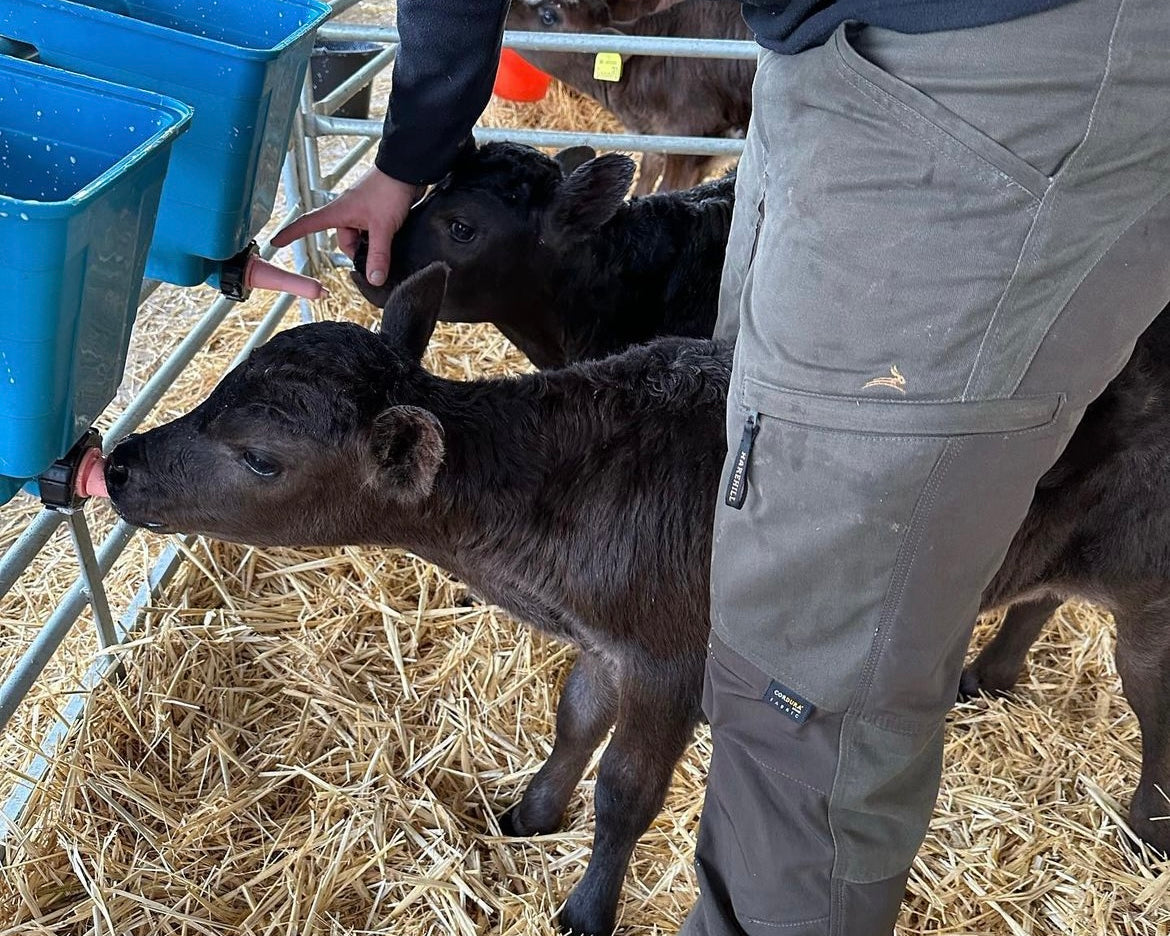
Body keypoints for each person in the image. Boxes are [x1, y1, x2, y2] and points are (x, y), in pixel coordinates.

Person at [273, 1, 1170, 933]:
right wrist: (412, 154)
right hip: (836, 62)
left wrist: (418, 137)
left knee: (806, 654)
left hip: (979, 72)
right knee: (736, 481)